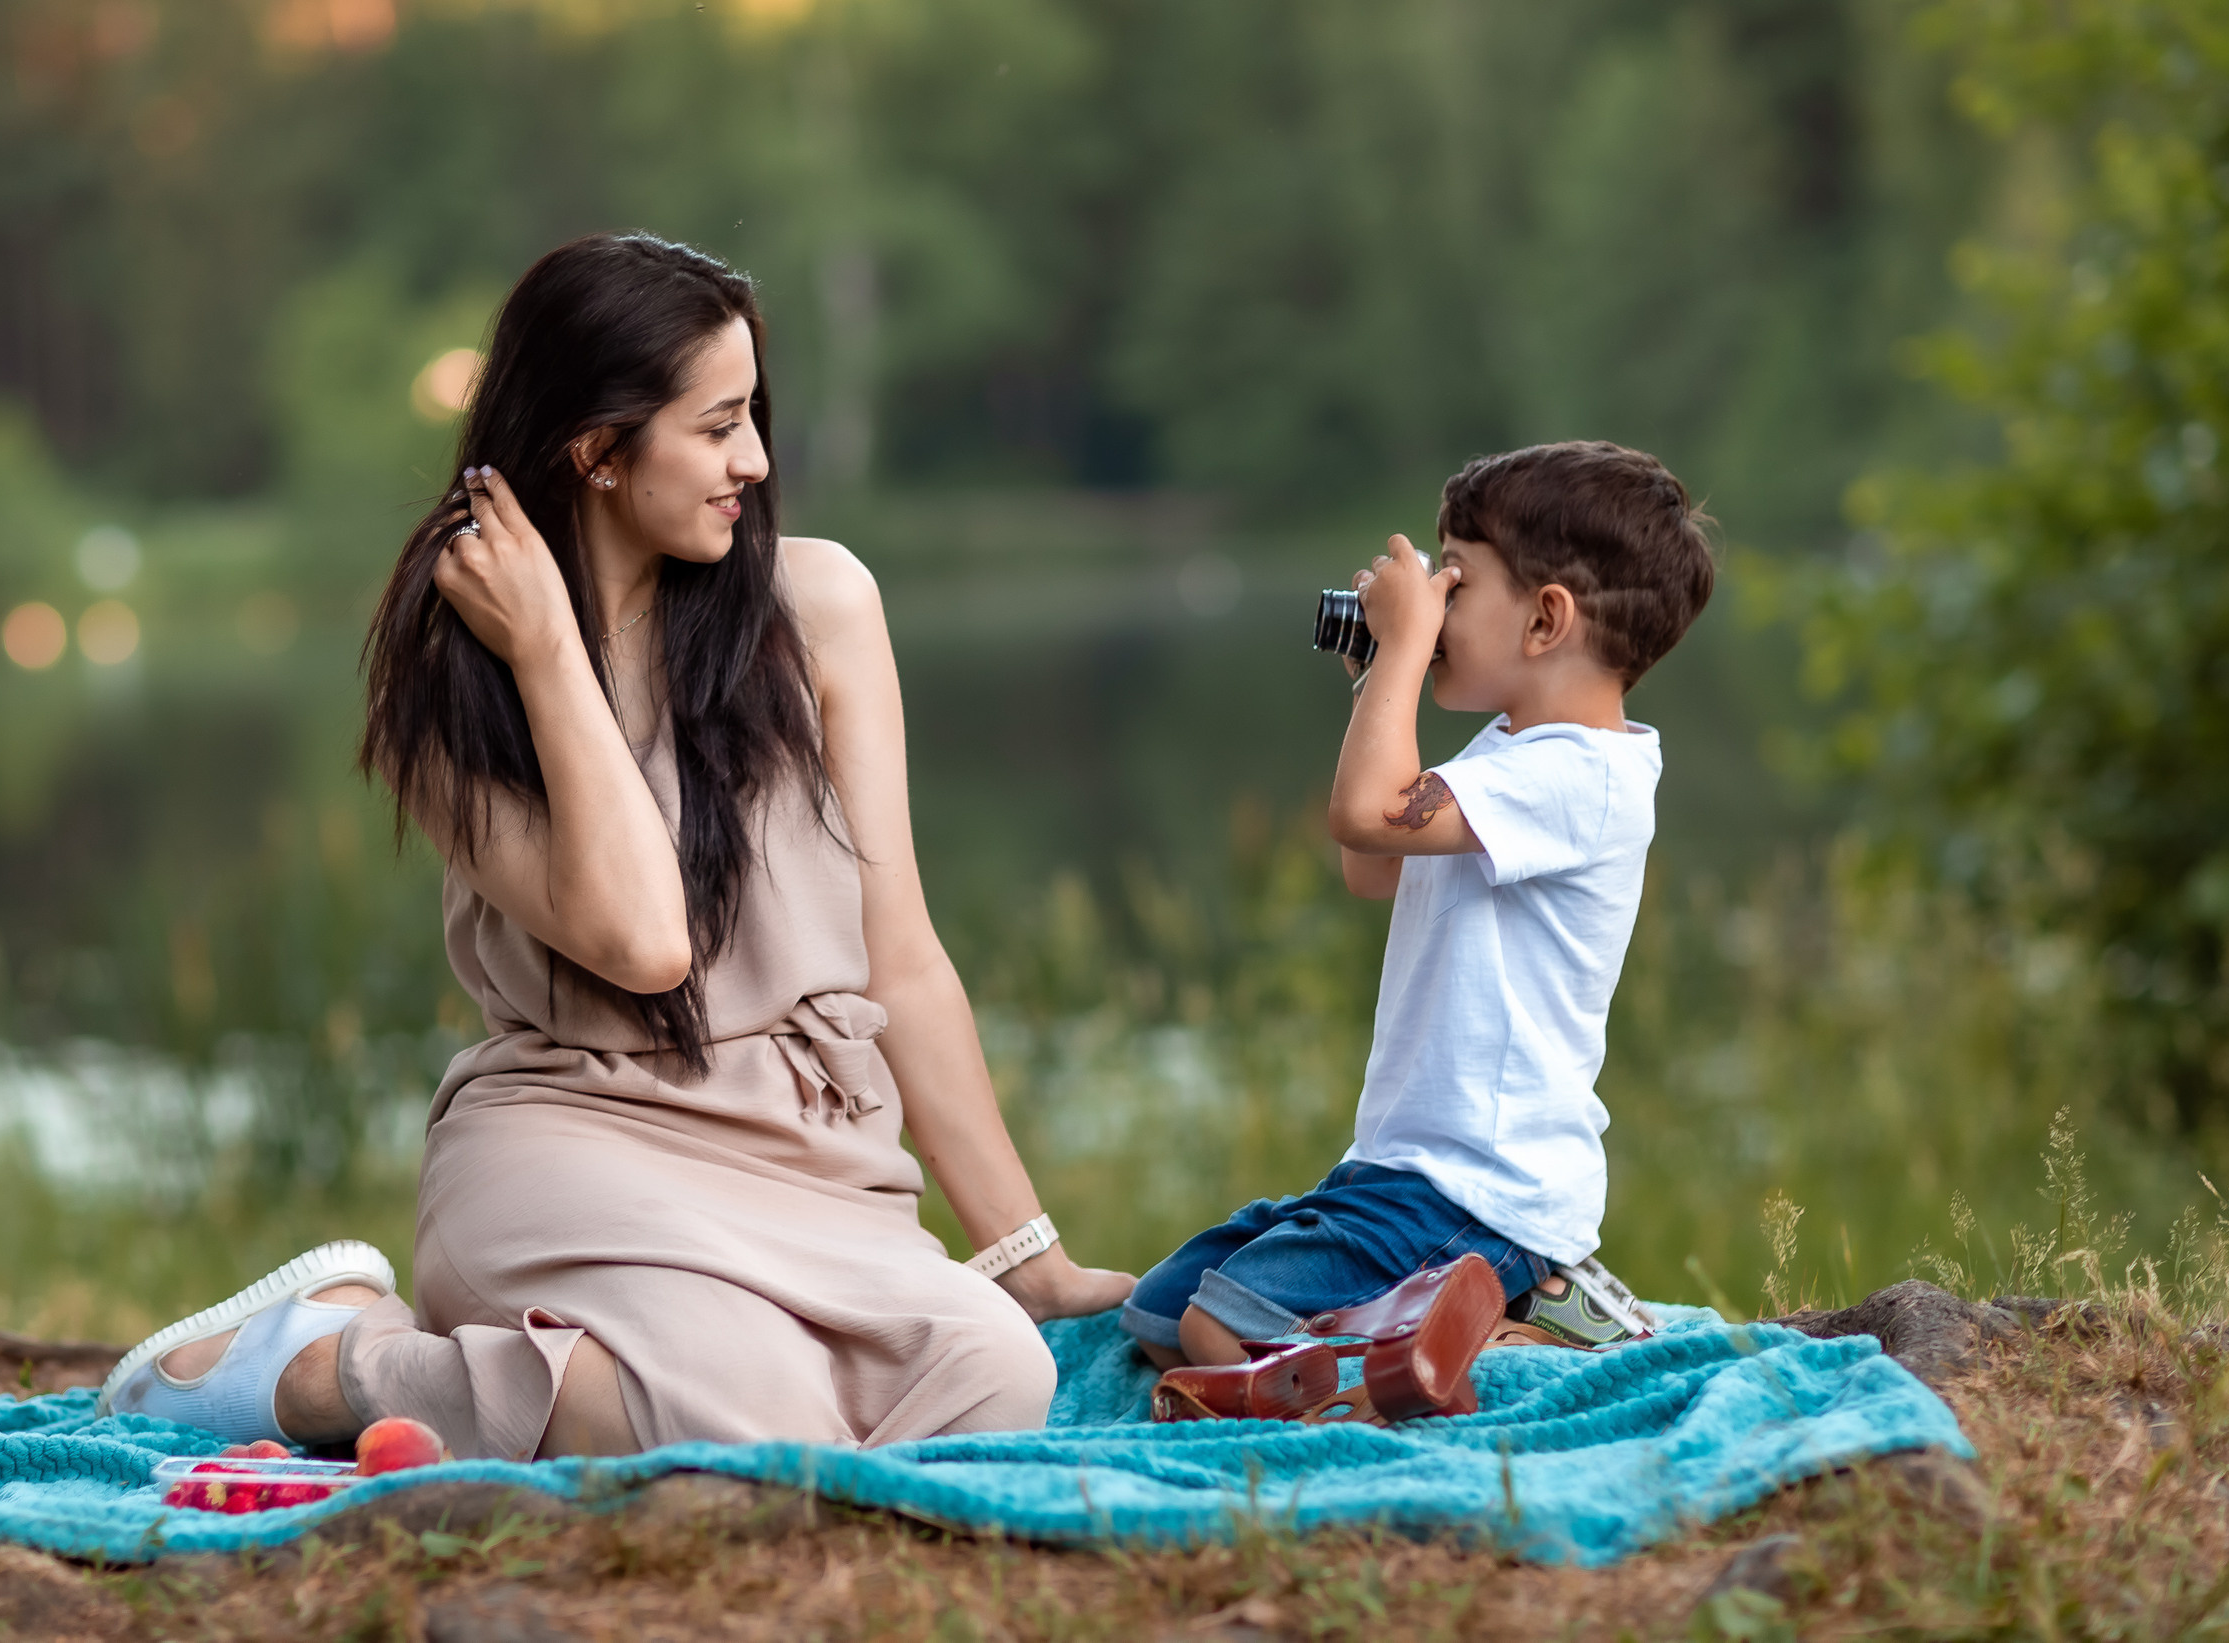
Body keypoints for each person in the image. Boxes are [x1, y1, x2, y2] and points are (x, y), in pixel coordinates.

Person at [96, 233, 1133, 1458]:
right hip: (570, 1143)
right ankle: (324, 1367)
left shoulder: (822, 610)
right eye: (717, 426)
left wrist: (1028, 1258)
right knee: (732, 1424)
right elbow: (644, 942)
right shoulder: (455, 687)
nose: (753, 460)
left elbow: (898, 956)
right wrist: (546, 654)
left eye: (755, 418)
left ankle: (444, 1364)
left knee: (993, 1378)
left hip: (802, 1152)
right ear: (596, 450)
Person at [1122, 441, 1715, 1371]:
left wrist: (1401, 648)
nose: (1433, 603)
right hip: (1402, 1171)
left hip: (1480, 1188)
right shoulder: (1507, 753)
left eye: (1455, 582)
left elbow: (1366, 811)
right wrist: (1376, 676)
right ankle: (1462, 1315)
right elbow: (1372, 858)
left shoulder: (1584, 774)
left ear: (1545, 619)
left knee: (1218, 1330)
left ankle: (1513, 1329)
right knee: (1159, 1312)